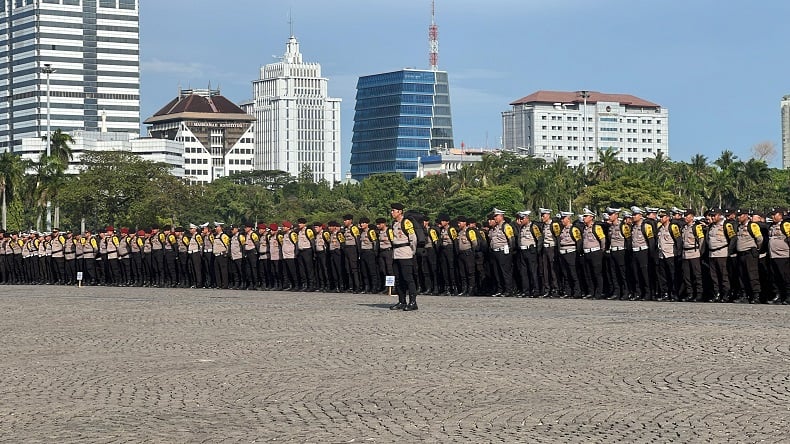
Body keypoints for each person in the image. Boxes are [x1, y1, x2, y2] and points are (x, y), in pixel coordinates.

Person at [388, 202, 418, 311]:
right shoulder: (394, 224)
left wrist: (412, 251)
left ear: (400, 212)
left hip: (405, 253)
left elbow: (413, 238)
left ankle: (413, 302)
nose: (392, 212)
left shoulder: (406, 222)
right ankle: (402, 301)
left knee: (408, 279)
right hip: (396, 254)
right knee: (398, 279)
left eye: (393, 211)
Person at [488, 208, 516, 297]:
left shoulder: (506, 226)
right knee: (497, 272)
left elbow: (511, 239)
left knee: (505, 272)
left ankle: (508, 290)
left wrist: (510, 251)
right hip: (495, 252)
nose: (495, 218)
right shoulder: (495, 228)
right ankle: (500, 289)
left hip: (503, 251)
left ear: (501, 216)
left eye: (496, 216)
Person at [454, 215, 478, 296]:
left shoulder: (469, 231)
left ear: (464, 223)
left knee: (470, 272)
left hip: (468, 253)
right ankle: (464, 289)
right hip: (461, 254)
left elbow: (474, 243)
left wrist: (472, 252)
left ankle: (471, 289)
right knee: (463, 273)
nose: (458, 224)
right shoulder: (460, 232)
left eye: (459, 223)